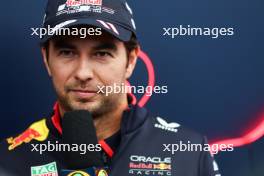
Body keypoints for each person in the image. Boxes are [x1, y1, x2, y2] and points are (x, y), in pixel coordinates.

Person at [0, 0, 221, 175]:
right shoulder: (9, 159)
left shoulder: (189, 152)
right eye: (67, 52)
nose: (83, 72)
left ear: (131, 60)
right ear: (46, 59)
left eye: (101, 54)